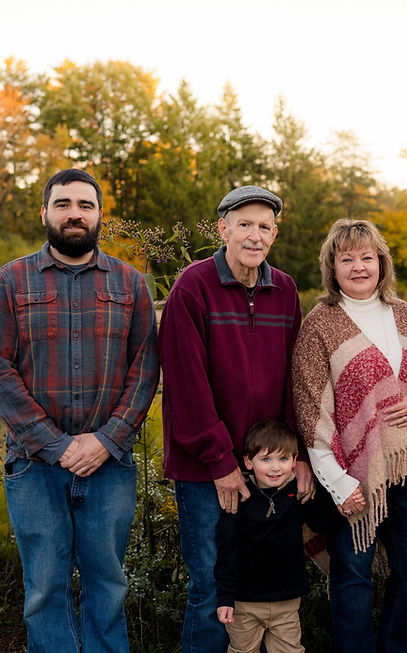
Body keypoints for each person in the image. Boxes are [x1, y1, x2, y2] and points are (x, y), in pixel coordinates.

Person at [0, 168, 159, 652]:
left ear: (100, 215)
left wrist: (105, 441)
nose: (74, 214)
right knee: (43, 589)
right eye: (63, 204)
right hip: (35, 466)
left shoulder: (131, 283)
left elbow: (145, 370)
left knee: (109, 586)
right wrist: (57, 447)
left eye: (84, 205)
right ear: (45, 212)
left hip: (109, 465)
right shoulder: (10, 281)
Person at [158, 185, 312, 653]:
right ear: (222, 227)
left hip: (270, 469)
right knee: (210, 589)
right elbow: (185, 385)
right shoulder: (193, 286)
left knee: (260, 589)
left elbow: (295, 380)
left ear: (275, 234)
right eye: (244, 224)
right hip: (207, 470)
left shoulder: (284, 289)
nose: (254, 235)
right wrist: (222, 462)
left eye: (264, 226)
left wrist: (297, 457)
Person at [291, 218, 407, 653]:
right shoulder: (320, 324)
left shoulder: (405, 314)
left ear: (381, 262)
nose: (359, 267)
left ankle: (398, 645)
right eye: (347, 259)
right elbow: (310, 408)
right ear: (332, 267)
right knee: (353, 575)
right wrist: (339, 483)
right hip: (352, 473)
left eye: (367, 257)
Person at [215, 420, 330, 653]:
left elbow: (320, 523)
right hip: (244, 603)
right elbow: (228, 548)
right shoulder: (239, 498)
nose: (275, 468)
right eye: (266, 459)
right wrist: (226, 596)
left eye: (284, 459)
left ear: (295, 460)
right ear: (248, 461)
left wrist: (319, 490)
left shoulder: (296, 493)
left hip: (286, 602)